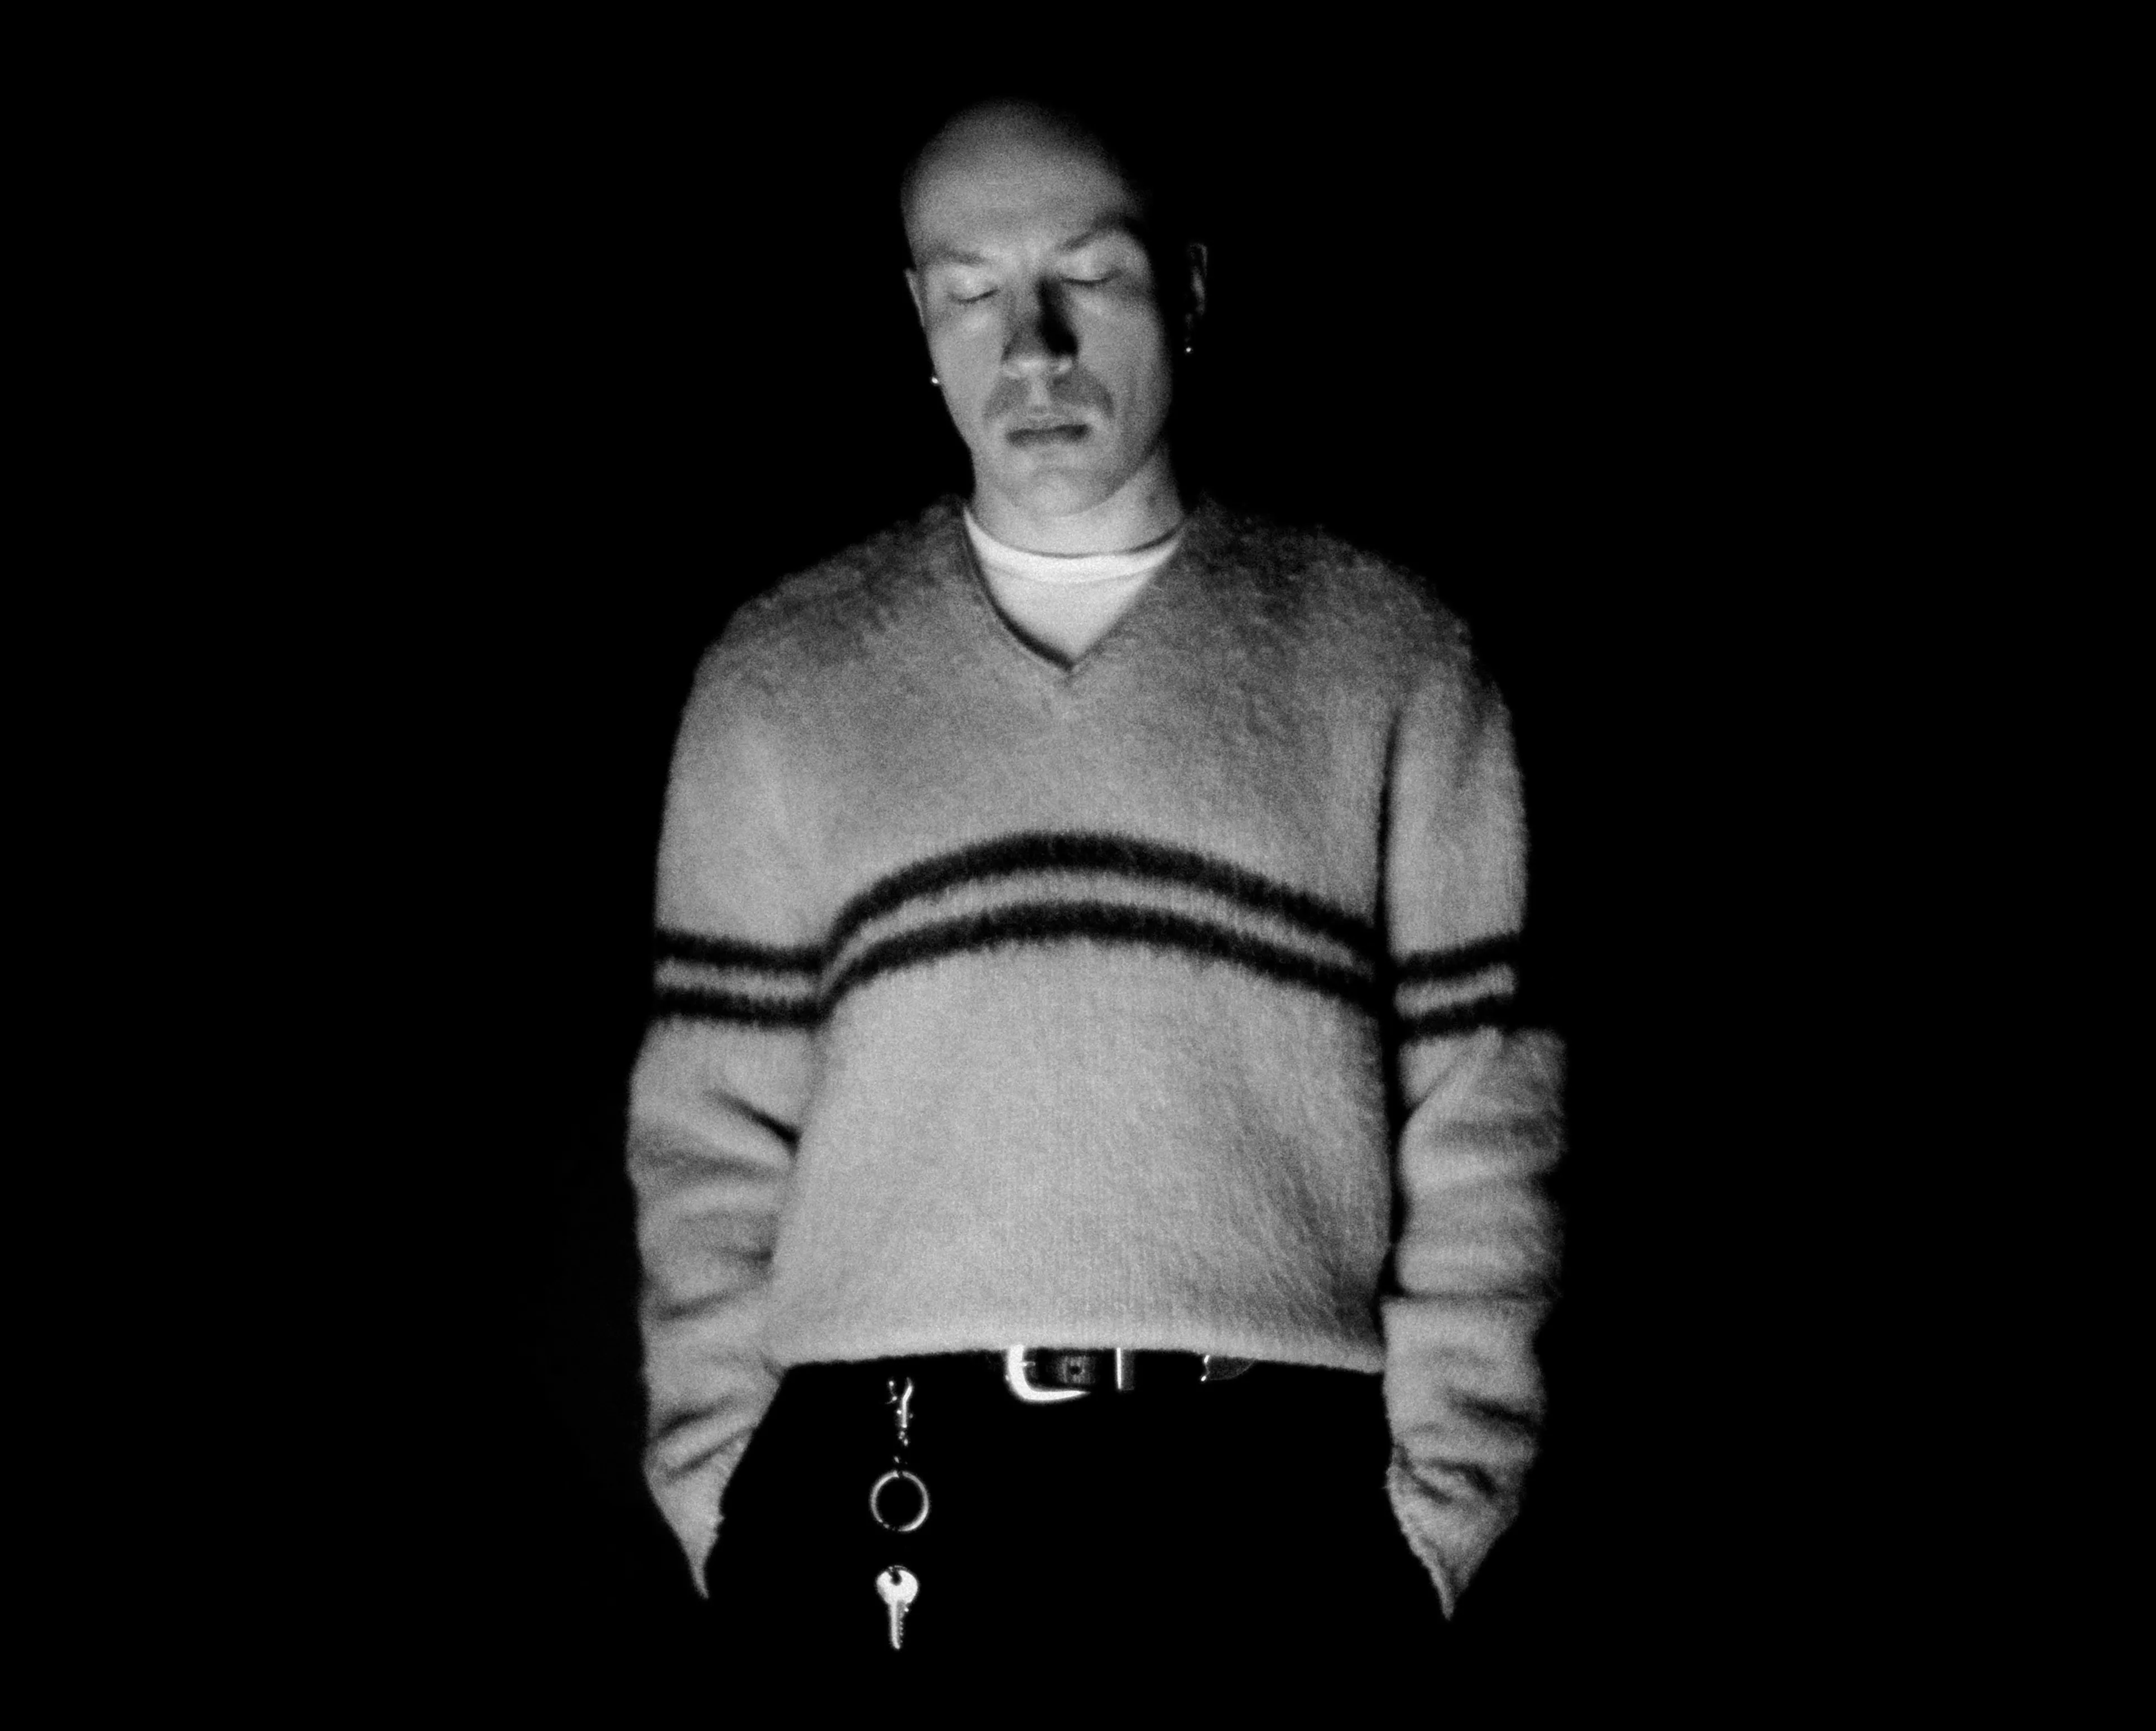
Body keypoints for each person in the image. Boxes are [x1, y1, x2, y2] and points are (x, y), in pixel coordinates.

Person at [627, 98, 1563, 1689]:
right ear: (918, 314)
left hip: (1280, 1498)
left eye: (1087, 275)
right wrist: (725, 1486)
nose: (1034, 347)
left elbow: (1486, 1108)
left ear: (1187, 288)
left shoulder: (1390, 657)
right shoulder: (782, 682)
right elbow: (707, 1133)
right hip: (882, 1492)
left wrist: (1443, 1501)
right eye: (971, 289)